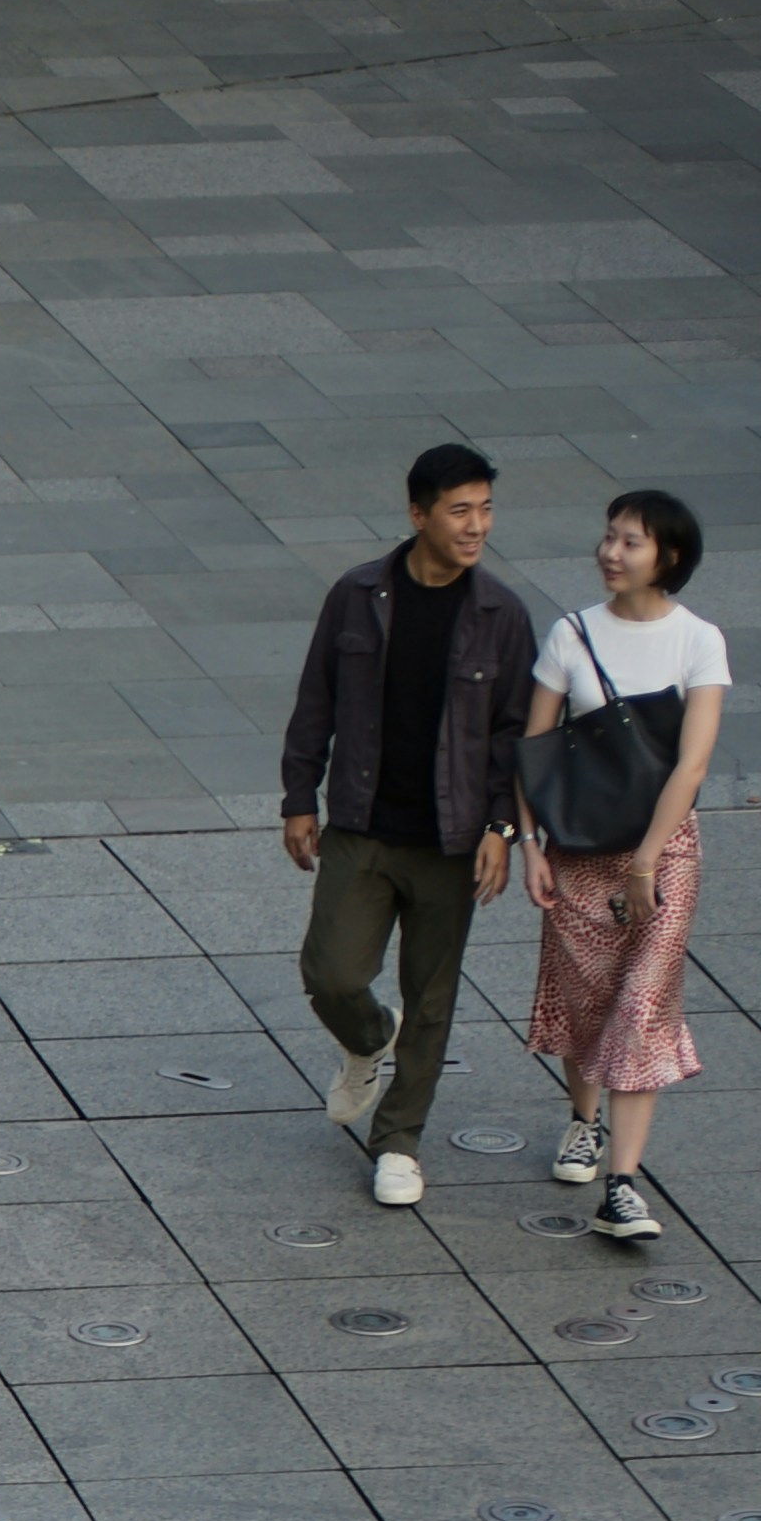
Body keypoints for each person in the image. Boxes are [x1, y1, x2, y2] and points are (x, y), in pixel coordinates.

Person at [274, 441, 531, 1210]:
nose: (476, 525)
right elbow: (315, 697)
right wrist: (298, 796)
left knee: (433, 994)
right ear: (417, 514)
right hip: (362, 823)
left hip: (452, 841)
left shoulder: (501, 616)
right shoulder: (357, 596)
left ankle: (399, 1143)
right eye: (460, 510)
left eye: (485, 509)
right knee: (332, 973)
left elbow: (518, 736)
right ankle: (364, 1038)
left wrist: (502, 828)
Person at [515, 490, 727, 1254]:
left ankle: (623, 1184)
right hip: (577, 847)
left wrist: (645, 860)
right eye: (608, 537)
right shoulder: (571, 633)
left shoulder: (698, 640)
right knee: (586, 999)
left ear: (666, 556)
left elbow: (693, 760)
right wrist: (530, 844)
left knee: (643, 1004)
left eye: (630, 541)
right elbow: (533, 747)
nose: (611, 552)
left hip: (662, 851)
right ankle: (582, 1121)